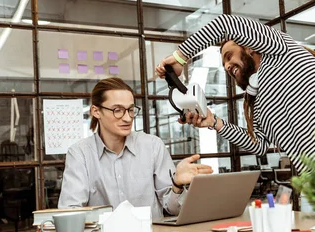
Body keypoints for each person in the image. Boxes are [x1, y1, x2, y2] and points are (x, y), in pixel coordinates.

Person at [155, 15, 315, 181]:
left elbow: (225, 24)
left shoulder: (279, 49)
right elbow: (260, 144)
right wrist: (215, 123)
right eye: (223, 63)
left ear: (250, 47)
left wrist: (180, 56)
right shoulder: (257, 98)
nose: (226, 65)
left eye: (228, 56)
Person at [58, 77, 212, 218]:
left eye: (131, 110)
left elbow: (174, 210)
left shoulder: (152, 146)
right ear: (96, 111)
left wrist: (177, 185)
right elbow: (70, 213)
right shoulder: (79, 154)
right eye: (117, 110)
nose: (127, 118)